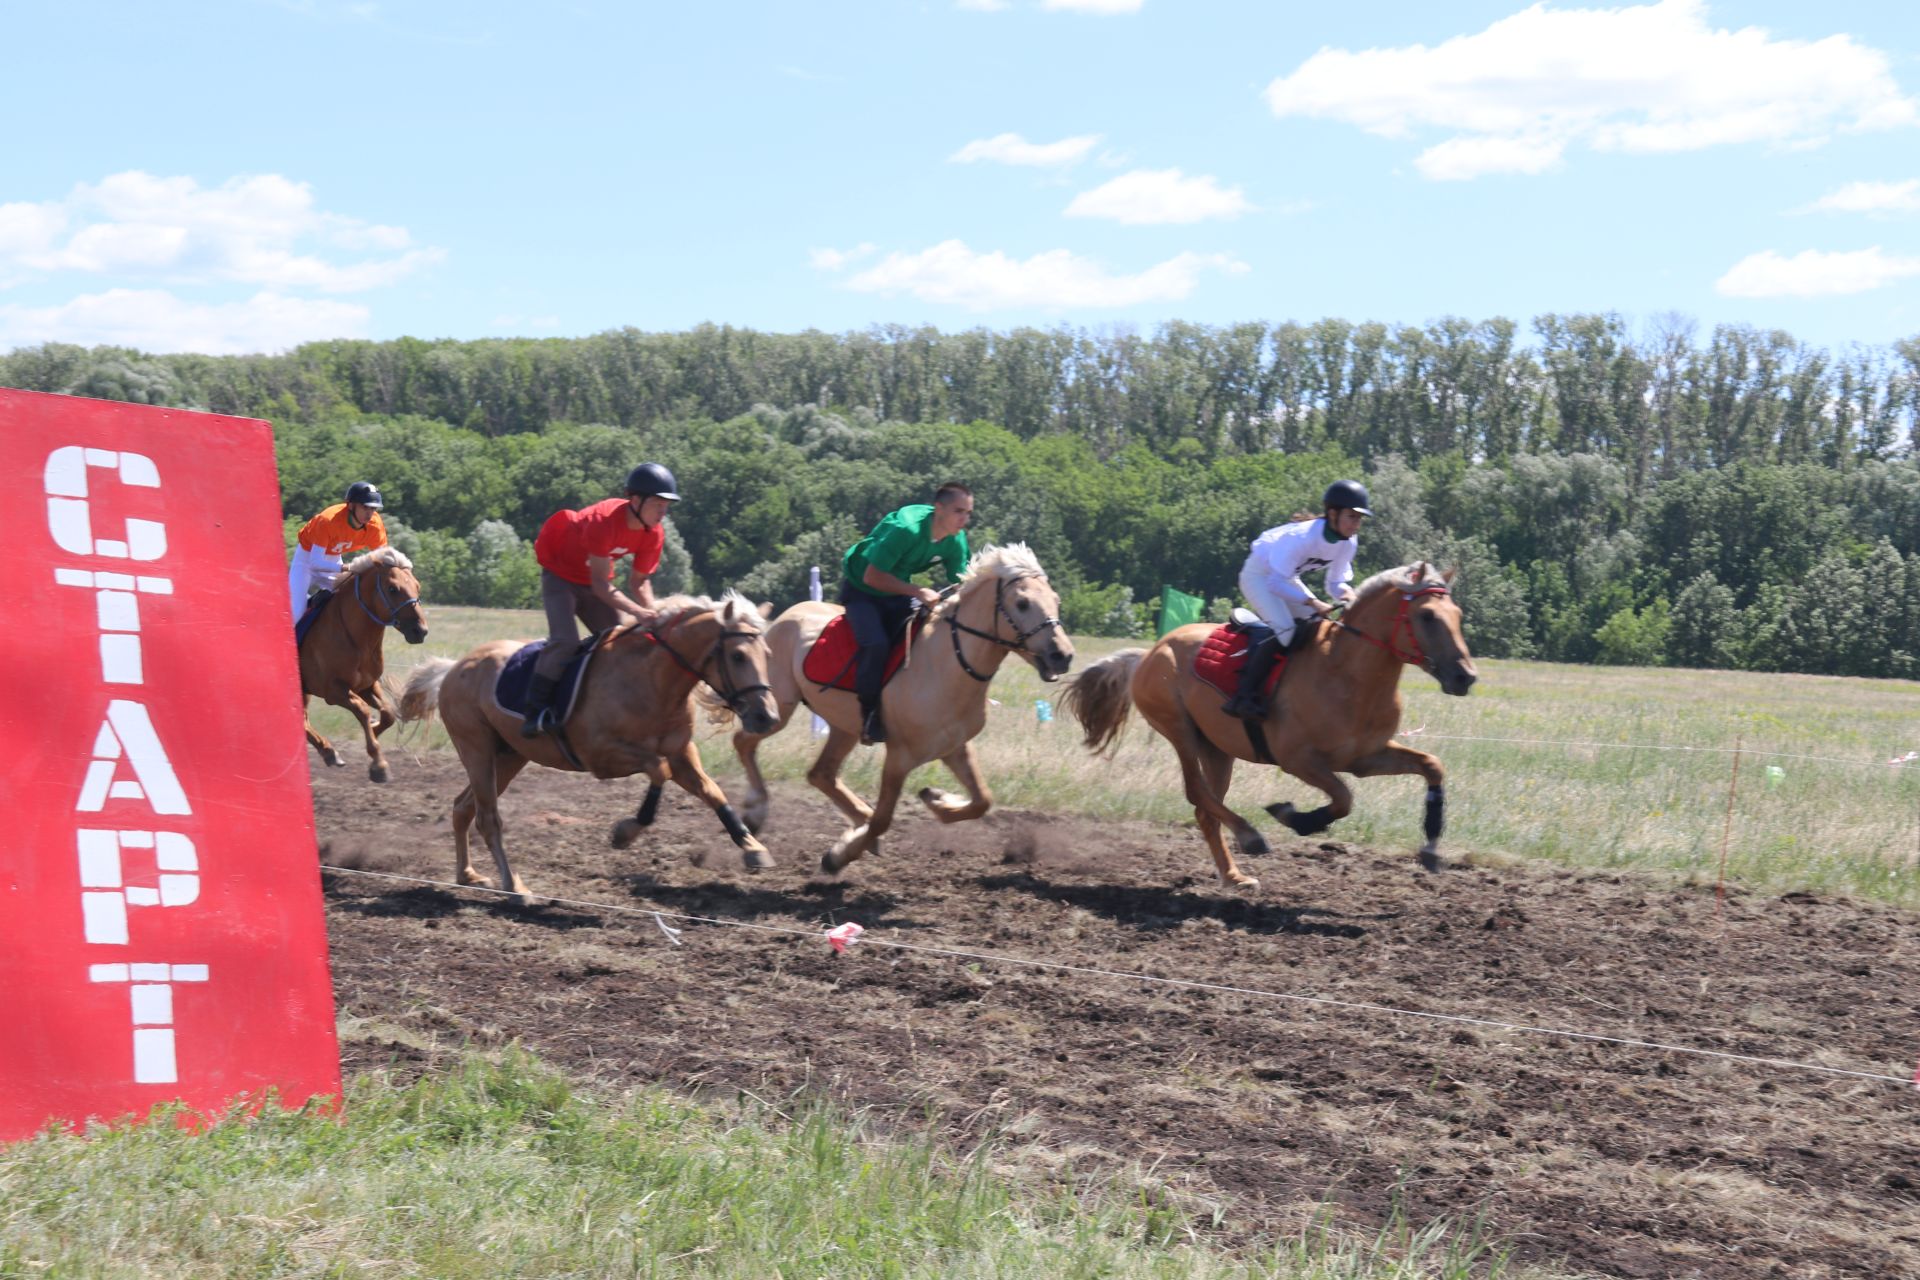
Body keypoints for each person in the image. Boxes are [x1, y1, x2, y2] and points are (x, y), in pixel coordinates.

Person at [519, 463, 680, 737]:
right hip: (560, 578)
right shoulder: (602, 522)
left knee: (626, 640)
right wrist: (638, 612)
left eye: (667, 505)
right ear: (635, 500)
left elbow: (639, 581)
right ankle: (534, 711)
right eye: (657, 504)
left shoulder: (654, 532)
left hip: (592, 583)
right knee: (566, 642)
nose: (663, 512)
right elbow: (601, 585)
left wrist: (653, 613)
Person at [1221, 479, 1371, 721]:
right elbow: (1274, 584)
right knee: (1287, 630)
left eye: (1359, 518)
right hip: (1259, 576)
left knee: (1316, 627)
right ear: (1333, 513)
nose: (1357, 524)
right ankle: (1243, 696)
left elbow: (1335, 583)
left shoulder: (1348, 542)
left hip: (1284, 577)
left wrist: (1348, 594)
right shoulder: (1302, 537)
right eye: (1352, 516)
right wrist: (1313, 602)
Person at [840, 483, 974, 744]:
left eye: (969, 513)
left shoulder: (956, 538)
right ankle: (869, 715)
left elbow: (963, 581)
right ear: (939, 508)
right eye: (959, 511)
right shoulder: (907, 529)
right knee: (876, 644)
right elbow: (872, 576)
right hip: (861, 590)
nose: (964, 519)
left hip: (894, 591)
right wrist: (917, 591)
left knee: (927, 634)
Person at [289, 481, 388, 620]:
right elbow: (315, 562)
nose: (370, 513)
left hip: (333, 558)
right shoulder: (329, 520)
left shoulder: (375, 526)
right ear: (351, 505)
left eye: (373, 508)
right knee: (295, 613)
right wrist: (347, 567)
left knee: (349, 599)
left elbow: (382, 559)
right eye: (365, 507)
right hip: (306, 560)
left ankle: (314, 605)